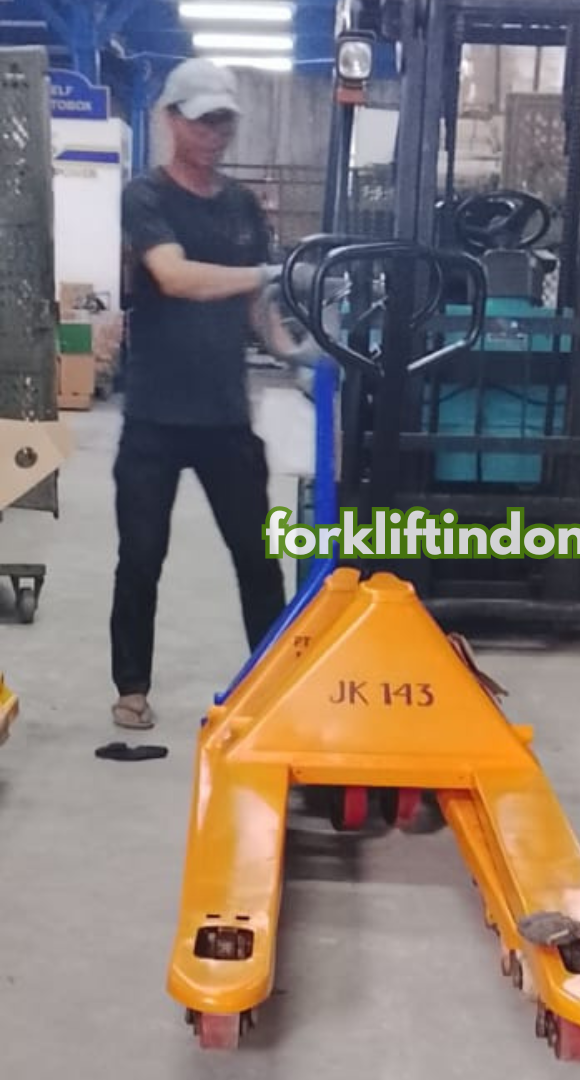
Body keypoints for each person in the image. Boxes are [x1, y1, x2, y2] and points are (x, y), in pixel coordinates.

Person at [110, 58, 288, 730]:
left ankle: (271, 683)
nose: (215, 134)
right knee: (141, 557)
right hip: (154, 416)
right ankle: (131, 687)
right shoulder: (145, 198)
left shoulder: (242, 207)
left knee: (258, 557)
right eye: (203, 121)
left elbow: (258, 309)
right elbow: (175, 277)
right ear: (171, 119)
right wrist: (263, 274)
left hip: (224, 416)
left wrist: (299, 355)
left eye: (224, 122)